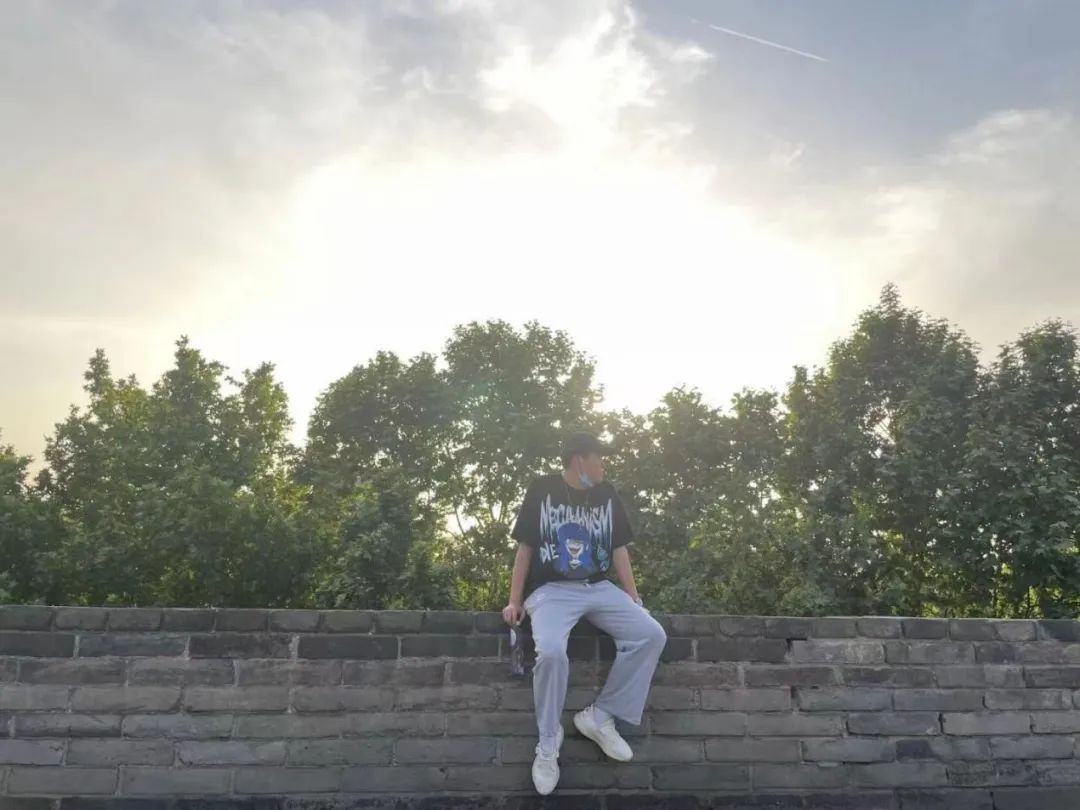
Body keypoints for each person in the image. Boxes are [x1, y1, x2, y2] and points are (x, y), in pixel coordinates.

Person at [502, 431, 667, 795]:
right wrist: (514, 601)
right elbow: (525, 548)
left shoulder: (606, 494)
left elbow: (619, 549)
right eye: (600, 458)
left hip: (598, 587)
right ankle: (548, 742)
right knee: (552, 652)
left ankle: (600, 716)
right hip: (550, 591)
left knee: (651, 634)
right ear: (580, 460)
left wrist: (633, 597)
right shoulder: (542, 489)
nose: (604, 465)